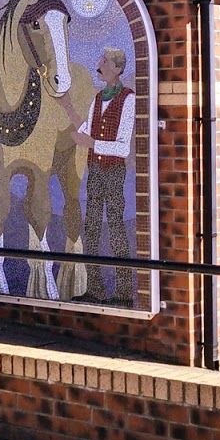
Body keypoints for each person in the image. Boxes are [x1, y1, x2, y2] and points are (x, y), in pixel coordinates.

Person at [67, 47, 135, 302]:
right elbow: (88, 130)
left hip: (113, 170)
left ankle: (124, 291)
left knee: (116, 227)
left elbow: (122, 147)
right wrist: (68, 109)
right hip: (94, 169)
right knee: (92, 226)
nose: (99, 65)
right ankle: (95, 289)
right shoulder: (98, 98)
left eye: (104, 61)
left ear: (117, 68)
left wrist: (91, 143)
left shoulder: (128, 99)